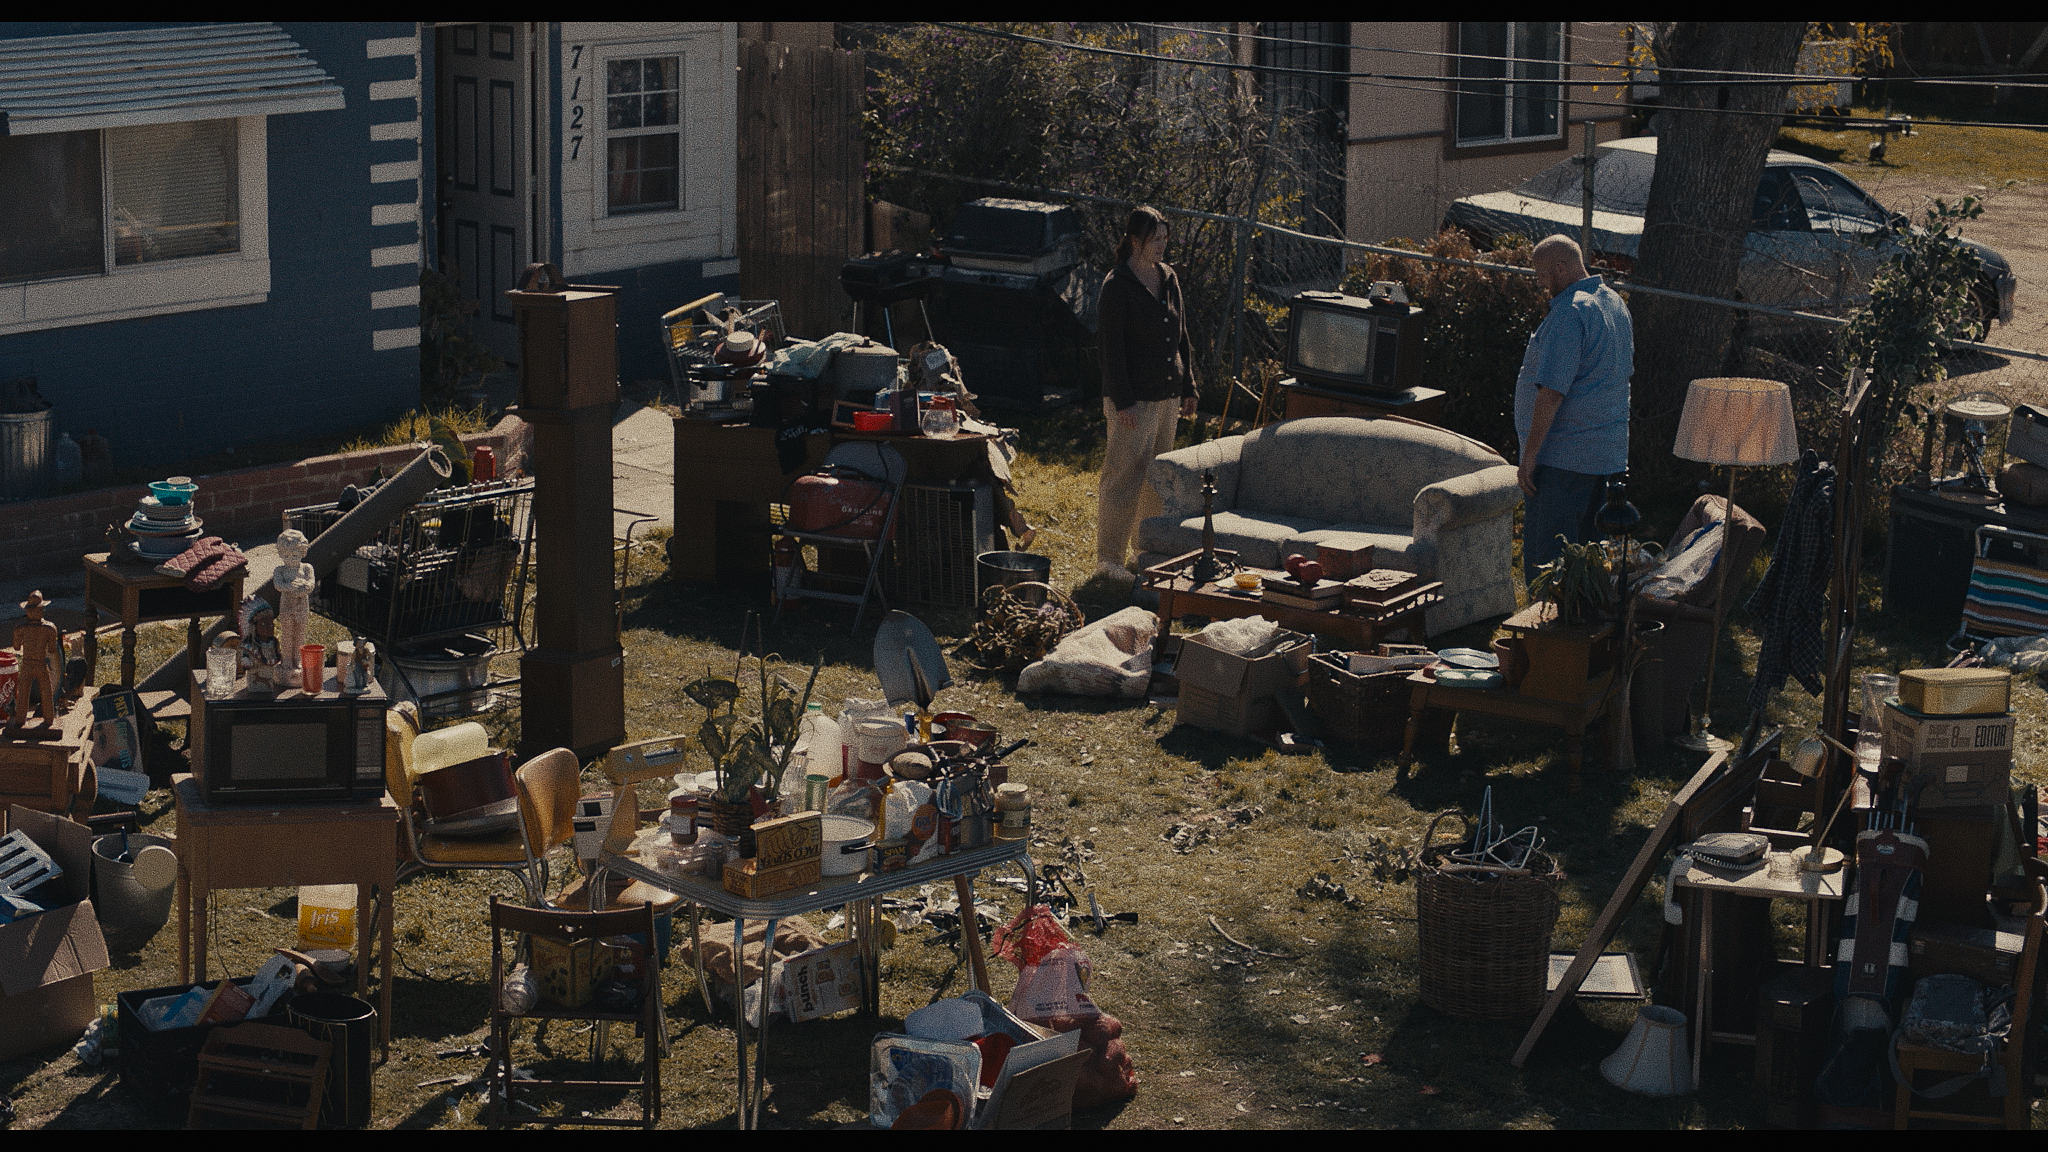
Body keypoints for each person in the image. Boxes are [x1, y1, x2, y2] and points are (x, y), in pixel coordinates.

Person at [1515, 234, 1633, 585]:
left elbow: (1551, 393)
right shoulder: (1614, 303)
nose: (1541, 285)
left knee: (1549, 569)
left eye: (1542, 276)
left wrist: (1530, 455)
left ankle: (1546, 622)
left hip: (1564, 459)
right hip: (1606, 457)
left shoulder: (1570, 312)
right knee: (1589, 566)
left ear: (1562, 268)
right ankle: (1582, 621)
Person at [1094, 206, 1197, 582]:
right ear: (1135, 241)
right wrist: (1123, 401)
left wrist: (1189, 387)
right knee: (1124, 477)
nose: (1162, 245)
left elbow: (1181, 336)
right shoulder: (1117, 285)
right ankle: (1108, 559)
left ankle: (1144, 550)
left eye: (1165, 238)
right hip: (1133, 401)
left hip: (1167, 395)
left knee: (1157, 477)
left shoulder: (1168, 278)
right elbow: (1111, 350)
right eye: (1155, 239)